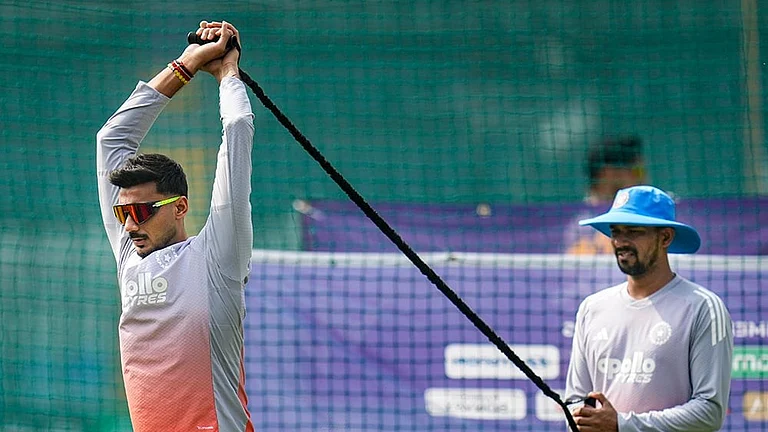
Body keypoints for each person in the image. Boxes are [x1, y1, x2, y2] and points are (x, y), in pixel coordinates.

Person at [96, 21, 255, 432]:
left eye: (143, 211)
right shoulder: (130, 253)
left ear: (180, 206)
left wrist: (227, 73)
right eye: (122, 213)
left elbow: (236, 129)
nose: (129, 224)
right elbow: (110, 140)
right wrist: (187, 63)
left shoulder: (217, 258)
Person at [565, 185, 733, 431]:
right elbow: (575, 401)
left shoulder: (703, 308)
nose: (620, 242)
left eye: (633, 231)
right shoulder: (592, 308)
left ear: (665, 237)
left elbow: (709, 411)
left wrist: (622, 425)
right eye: (616, 231)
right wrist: (583, 419)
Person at [565, 136, 646, 255]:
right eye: (638, 171)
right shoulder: (581, 225)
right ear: (610, 174)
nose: (643, 178)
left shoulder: (645, 214)